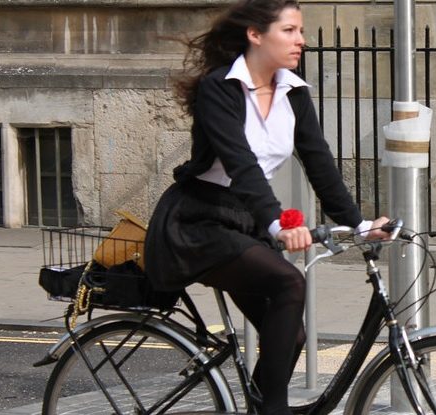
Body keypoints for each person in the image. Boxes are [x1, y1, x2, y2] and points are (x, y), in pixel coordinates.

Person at [143, 0, 390, 413]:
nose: (302, 41)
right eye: (290, 30)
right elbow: (241, 164)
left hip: (244, 222)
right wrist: (277, 223)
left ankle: (261, 407)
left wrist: (359, 224)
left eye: (301, 31)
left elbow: (319, 161)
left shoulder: (292, 90)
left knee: (290, 335)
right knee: (289, 283)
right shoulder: (219, 88)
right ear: (255, 35)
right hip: (199, 222)